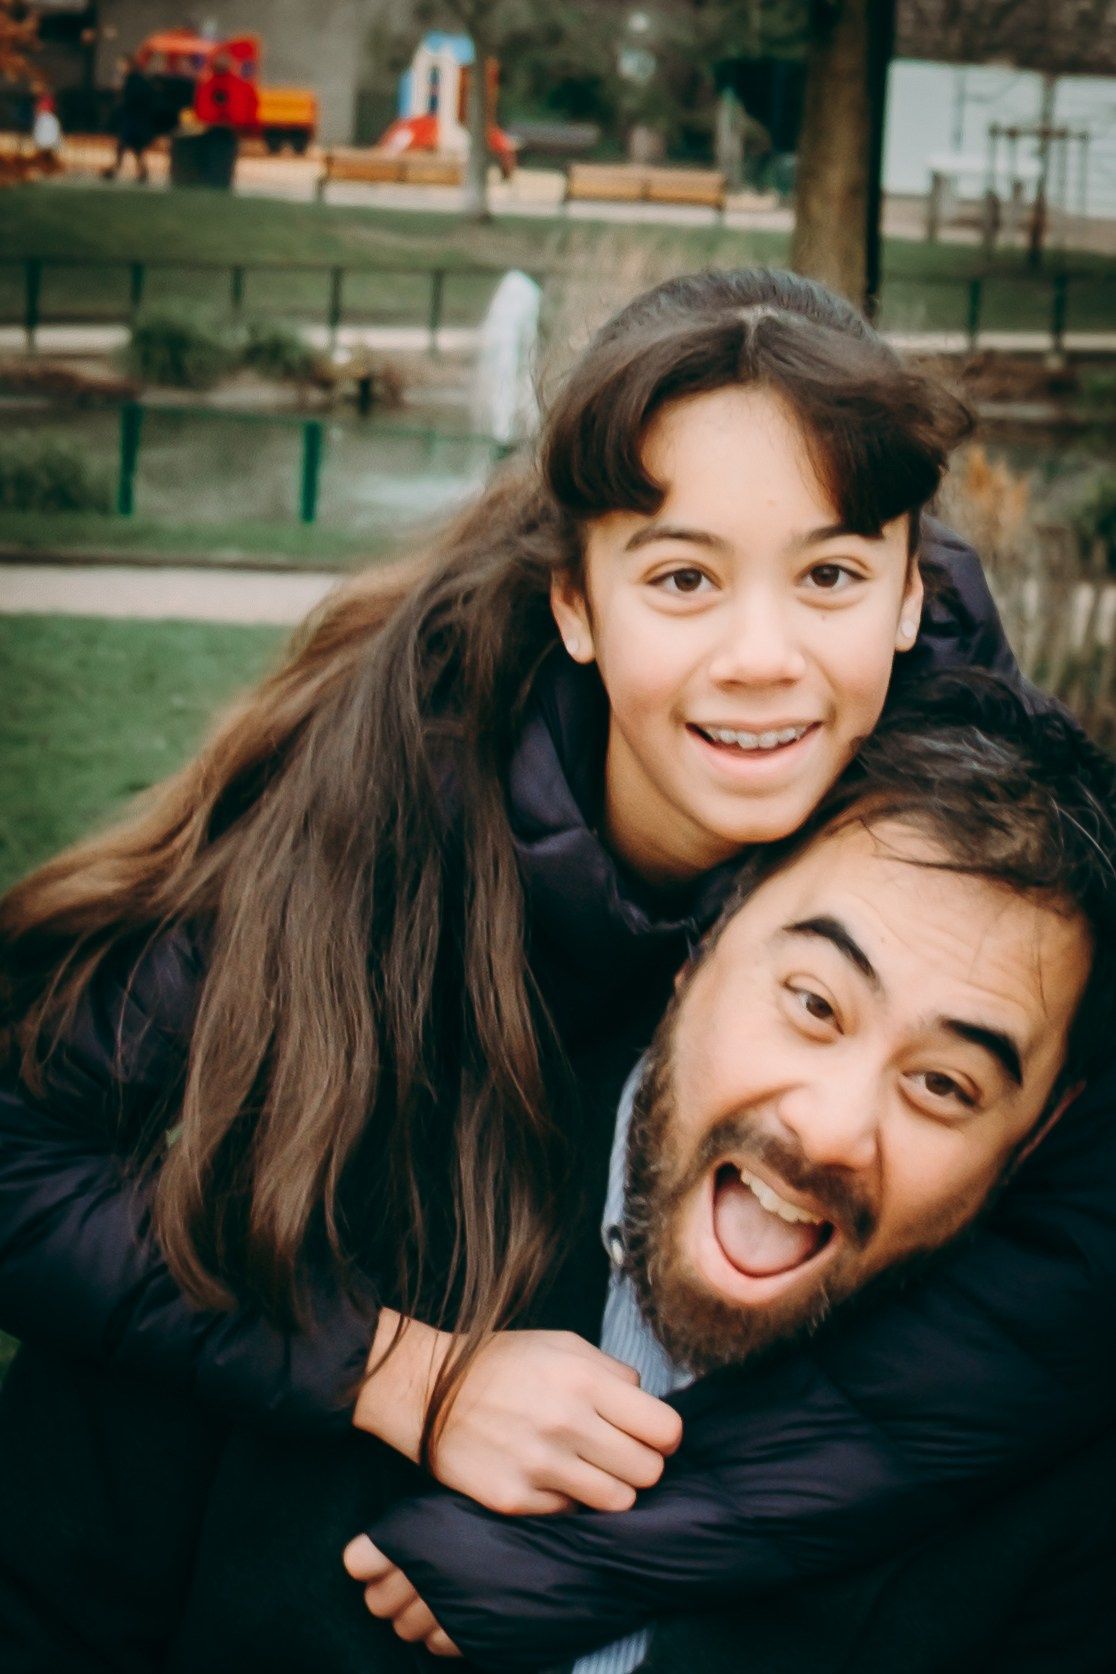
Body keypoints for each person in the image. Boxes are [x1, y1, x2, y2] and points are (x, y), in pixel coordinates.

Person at [0, 268, 1054, 1674]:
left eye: (831, 575)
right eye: (683, 576)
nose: (764, 657)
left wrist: (635, 1544)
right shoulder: (388, 819)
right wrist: (407, 1377)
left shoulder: (980, 816)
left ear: (914, 589)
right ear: (576, 600)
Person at [347, 677, 1116, 1674]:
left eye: (942, 1083)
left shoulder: (1065, 1510)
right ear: (702, 944)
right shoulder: (347, 1186)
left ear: (1038, 1132)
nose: (833, 1130)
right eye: (812, 1002)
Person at [102, 55, 157, 183]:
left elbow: (134, 99)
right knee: (133, 147)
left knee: (126, 145)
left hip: (133, 120)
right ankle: (139, 171)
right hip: (133, 119)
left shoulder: (135, 81)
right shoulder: (134, 80)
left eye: (123, 65)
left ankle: (117, 170)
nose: (121, 68)